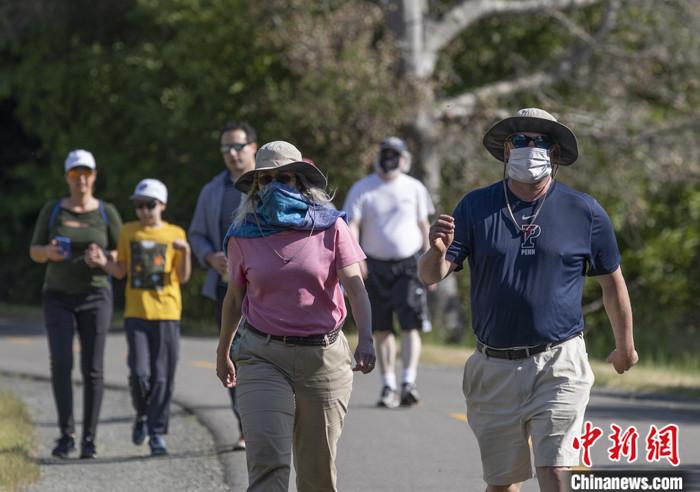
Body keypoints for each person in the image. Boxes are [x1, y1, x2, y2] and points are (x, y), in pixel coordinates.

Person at [418, 108, 639, 492]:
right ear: (506, 151)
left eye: (540, 142)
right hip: (494, 366)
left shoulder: (584, 210)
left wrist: (625, 347)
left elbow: (612, 283)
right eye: (520, 141)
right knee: (503, 483)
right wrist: (436, 251)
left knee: (555, 471)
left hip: (560, 360)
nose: (529, 148)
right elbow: (430, 275)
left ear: (555, 154)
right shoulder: (475, 206)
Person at [216, 141, 376, 492]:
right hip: (262, 355)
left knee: (317, 475)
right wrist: (223, 350)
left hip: (324, 358)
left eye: (284, 178)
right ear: (256, 187)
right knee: (267, 461)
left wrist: (366, 338)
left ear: (301, 182)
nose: (274, 187)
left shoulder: (332, 228)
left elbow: (355, 287)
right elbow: (233, 298)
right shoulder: (243, 235)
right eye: (266, 180)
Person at [29, 149, 123, 459]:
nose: (81, 178)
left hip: (96, 295)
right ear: (67, 177)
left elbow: (122, 258)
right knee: (61, 364)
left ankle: (89, 440)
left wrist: (103, 258)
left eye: (86, 173)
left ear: (94, 176)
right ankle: (66, 435)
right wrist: (49, 253)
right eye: (74, 173)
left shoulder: (106, 212)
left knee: (92, 369)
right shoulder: (54, 209)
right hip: (57, 296)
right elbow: (34, 251)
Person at [88, 179, 191, 456]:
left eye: (150, 205)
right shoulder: (128, 232)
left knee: (162, 377)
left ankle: (157, 434)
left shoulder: (174, 233)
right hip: (136, 314)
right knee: (139, 373)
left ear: (162, 206)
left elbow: (182, 277)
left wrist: (186, 253)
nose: (144, 211)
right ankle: (143, 415)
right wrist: (102, 263)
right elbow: (120, 270)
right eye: (139, 206)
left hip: (167, 313)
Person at [343, 136, 435, 408]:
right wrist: (355, 258)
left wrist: (431, 264)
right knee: (381, 328)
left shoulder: (415, 188)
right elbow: (353, 225)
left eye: (395, 154)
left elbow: (423, 225)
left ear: (404, 159)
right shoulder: (363, 188)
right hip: (374, 266)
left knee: (410, 324)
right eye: (385, 153)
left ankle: (408, 382)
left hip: (409, 265)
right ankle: (388, 385)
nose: (389, 158)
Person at [189, 121, 257, 450]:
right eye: (226, 149)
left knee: (265, 354)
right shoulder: (212, 190)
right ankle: (245, 425)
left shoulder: (270, 185)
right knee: (232, 354)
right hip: (226, 287)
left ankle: (270, 420)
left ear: (254, 148)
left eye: (238, 147)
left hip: (266, 288)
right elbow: (196, 234)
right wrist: (209, 257)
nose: (231, 154)